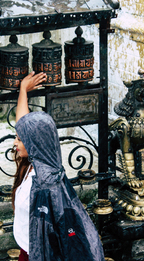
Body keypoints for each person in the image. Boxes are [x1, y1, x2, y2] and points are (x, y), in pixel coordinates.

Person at [12, 71, 105, 261]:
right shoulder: (33, 163)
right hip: (25, 249)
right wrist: (23, 90)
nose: (15, 143)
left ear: (34, 144)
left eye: (20, 140)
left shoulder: (45, 185)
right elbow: (24, 124)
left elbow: (51, 239)